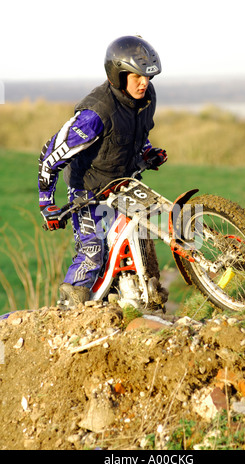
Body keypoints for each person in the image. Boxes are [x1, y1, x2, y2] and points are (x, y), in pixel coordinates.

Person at [38, 35, 167, 307]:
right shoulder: (95, 114)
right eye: (137, 77)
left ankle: (139, 301)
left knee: (139, 240)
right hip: (89, 187)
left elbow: (137, 133)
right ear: (118, 76)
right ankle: (71, 308)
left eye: (148, 76)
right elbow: (51, 155)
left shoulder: (145, 97)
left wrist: (147, 152)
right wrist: (46, 203)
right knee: (93, 251)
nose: (145, 82)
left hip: (124, 183)